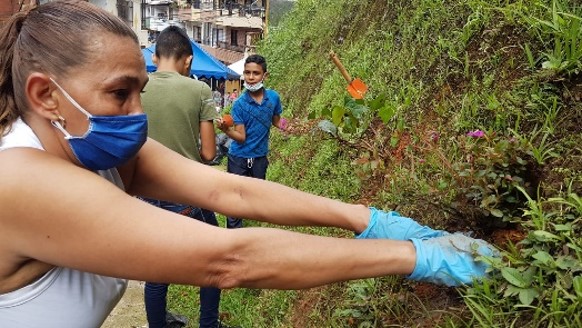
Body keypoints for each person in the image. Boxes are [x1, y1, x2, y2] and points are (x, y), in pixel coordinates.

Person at [0, 1, 497, 327]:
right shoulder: (19, 179)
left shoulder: (96, 147)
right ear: (46, 95)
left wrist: (366, 218)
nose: (136, 114)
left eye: (139, 92)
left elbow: (230, 193)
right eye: (119, 94)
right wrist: (416, 257)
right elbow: (230, 259)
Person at [140, 26, 233, 328]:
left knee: (157, 272)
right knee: (215, 255)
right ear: (188, 61)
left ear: (155, 56)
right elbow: (208, 153)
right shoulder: (199, 91)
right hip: (186, 194)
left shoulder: (138, 88)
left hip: (147, 196)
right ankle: (209, 323)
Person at [218, 55, 285, 229]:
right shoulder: (239, 104)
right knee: (235, 196)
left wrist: (292, 127)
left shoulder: (273, 98)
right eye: (247, 73)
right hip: (238, 157)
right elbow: (241, 137)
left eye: (256, 73)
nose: (251, 77)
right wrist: (226, 130)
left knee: (256, 195)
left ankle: (250, 225)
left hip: (260, 157)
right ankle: (233, 232)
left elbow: (277, 121)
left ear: (265, 75)